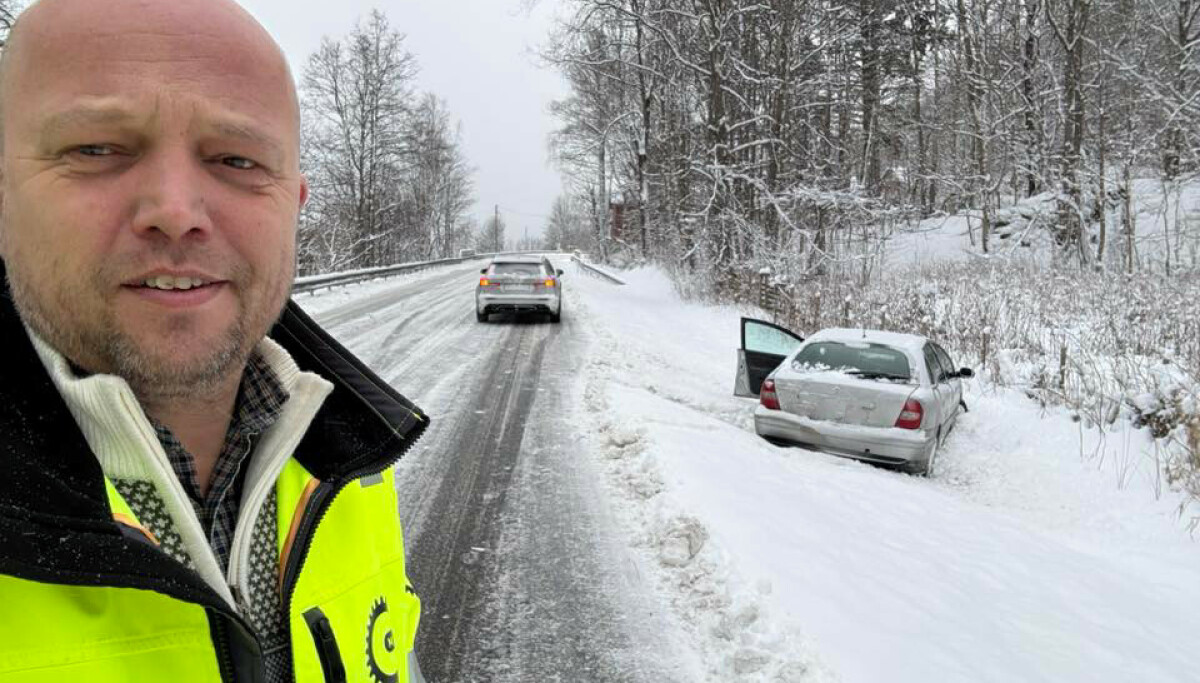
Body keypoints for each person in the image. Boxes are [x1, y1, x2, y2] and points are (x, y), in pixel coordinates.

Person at [0, 0, 429, 681]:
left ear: (294, 204)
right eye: (96, 148)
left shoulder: (348, 464)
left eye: (237, 158)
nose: (175, 211)